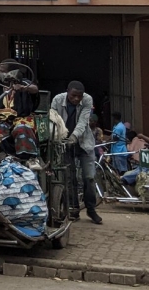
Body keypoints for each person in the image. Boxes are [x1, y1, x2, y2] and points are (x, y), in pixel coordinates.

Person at [51, 81, 102, 224]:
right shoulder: (57, 100)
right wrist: (61, 138)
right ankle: (73, 210)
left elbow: (83, 121)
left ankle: (91, 210)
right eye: (73, 96)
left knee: (89, 178)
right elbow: (53, 120)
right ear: (67, 91)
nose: (76, 99)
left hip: (84, 143)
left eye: (79, 96)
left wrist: (74, 136)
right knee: (69, 178)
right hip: (64, 143)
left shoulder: (87, 99)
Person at [0, 62, 41, 168]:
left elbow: (35, 89)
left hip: (21, 118)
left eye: (3, 71)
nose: (0, 73)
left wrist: (24, 88)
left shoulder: (23, 82)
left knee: (22, 128)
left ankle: (30, 159)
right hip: (2, 118)